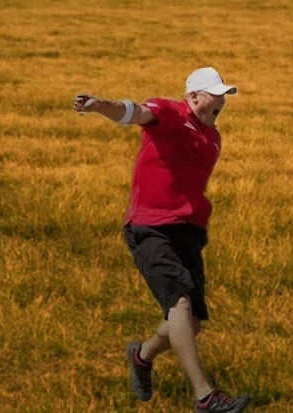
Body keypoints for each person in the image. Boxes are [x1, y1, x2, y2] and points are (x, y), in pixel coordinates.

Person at [74, 67, 252, 413]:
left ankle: (142, 356)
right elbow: (134, 112)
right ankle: (206, 398)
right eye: (215, 94)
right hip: (149, 226)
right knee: (179, 305)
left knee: (192, 323)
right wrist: (99, 106)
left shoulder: (212, 137)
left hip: (188, 230)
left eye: (224, 95)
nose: (222, 101)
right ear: (194, 96)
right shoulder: (170, 113)